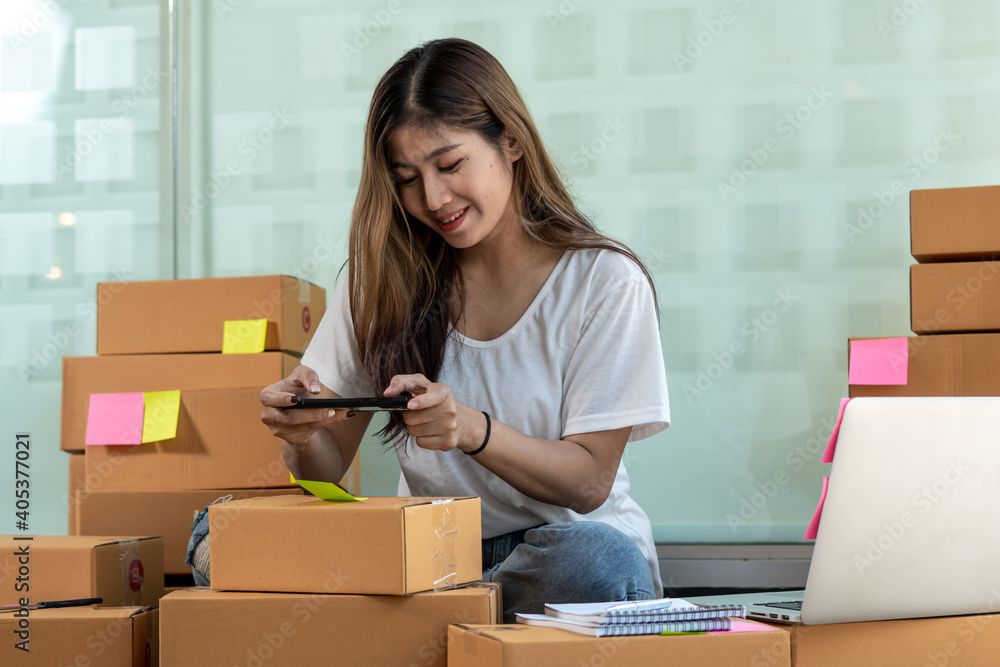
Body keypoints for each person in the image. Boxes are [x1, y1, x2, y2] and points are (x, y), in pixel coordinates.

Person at [194, 38, 670, 623]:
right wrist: (300, 431)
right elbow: (324, 472)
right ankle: (443, 619)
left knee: (595, 563)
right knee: (219, 538)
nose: (433, 199)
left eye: (449, 165)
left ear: (512, 140)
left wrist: (471, 429)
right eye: (407, 178)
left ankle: (413, 624)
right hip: (433, 555)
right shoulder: (381, 283)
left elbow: (590, 480)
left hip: (557, 552)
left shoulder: (603, 281)